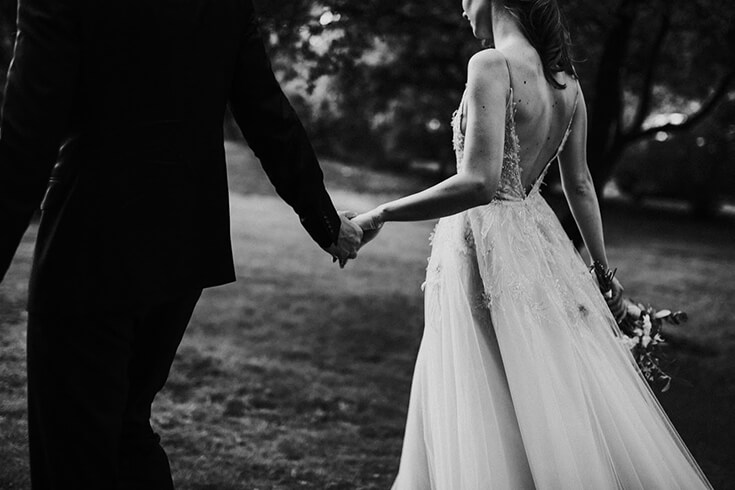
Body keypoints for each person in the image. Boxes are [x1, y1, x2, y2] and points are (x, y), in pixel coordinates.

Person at [0, 0, 362, 488]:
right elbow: (266, 111)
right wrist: (324, 220)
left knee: (73, 445)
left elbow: (25, 138)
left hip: (90, 244)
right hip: (185, 243)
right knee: (128, 429)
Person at [352, 0, 714, 488]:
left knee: (484, 385)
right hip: (537, 243)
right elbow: (581, 185)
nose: (462, 7)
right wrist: (604, 276)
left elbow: (478, 183)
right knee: (536, 383)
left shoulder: (491, 66)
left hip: (483, 244)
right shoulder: (568, 84)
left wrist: (383, 213)